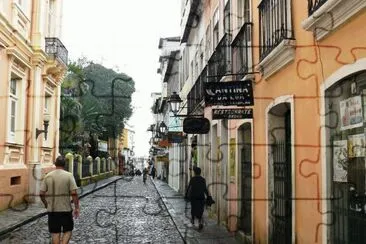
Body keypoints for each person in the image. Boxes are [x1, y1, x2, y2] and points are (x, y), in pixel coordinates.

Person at [40, 156, 79, 244]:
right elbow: (74, 193)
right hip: (66, 210)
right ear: (65, 165)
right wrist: (77, 207)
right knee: (68, 231)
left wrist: (46, 203)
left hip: (52, 210)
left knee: (55, 233)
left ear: (55, 163)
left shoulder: (48, 176)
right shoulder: (69, 175)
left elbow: (41, 193)